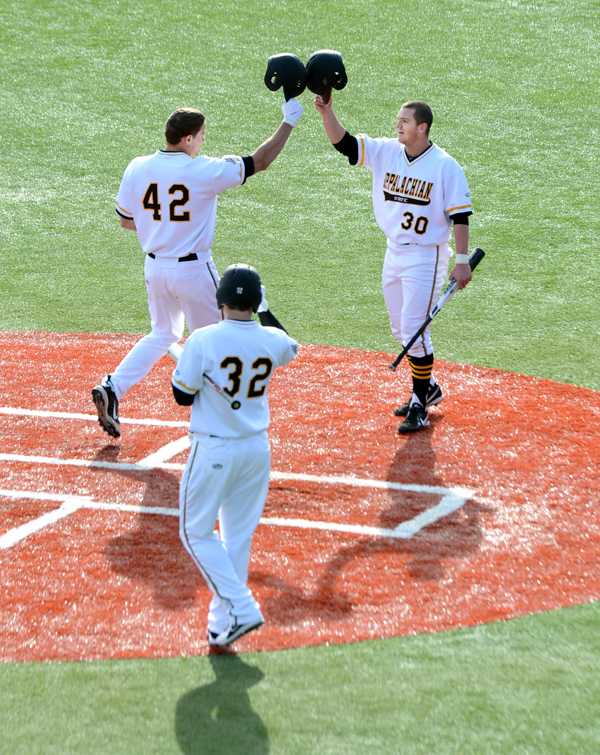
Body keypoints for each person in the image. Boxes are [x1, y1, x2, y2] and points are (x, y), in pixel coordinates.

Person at [92, 97, 304, 439]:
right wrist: (289, 122)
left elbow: (126, 221)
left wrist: (161, 227)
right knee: (221, 339)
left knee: (163, 333)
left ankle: (112, 387)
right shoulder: (204, 170)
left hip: (155, 268)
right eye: (201, 135)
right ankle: (219, 416)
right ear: (187, 138)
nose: (204, 140)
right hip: (192, 269)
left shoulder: (138, 166)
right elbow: (260, 161)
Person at [314, 96, 473, 433]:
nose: (398, 124)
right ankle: (427, 387)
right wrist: (328, 112)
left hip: (426, 255)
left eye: (405, 120)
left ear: (423, 127)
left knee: (415, 328)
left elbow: (460, 216)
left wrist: (461, 261)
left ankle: (420, 404)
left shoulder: (445, 167)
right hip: (394, 250)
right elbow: (344, 144)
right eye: (398, 119)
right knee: (401, 330)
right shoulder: (386, 151)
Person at [171, 264, 298, 647]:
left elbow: (181, 395)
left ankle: (241, 607)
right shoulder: (271, 340)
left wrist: (201, 380)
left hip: (215, 449)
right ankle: (222, 625)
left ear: (219, 299)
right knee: (236, 540)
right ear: (257, 302)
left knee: (194, 533)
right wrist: (265, 312)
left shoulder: (204, 339)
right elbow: (290, 344)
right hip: (256, 452)